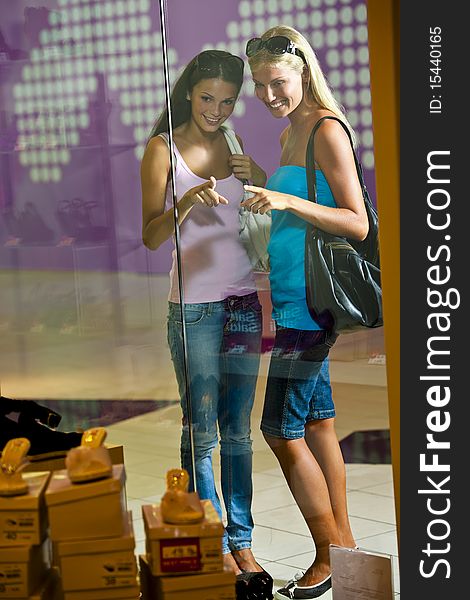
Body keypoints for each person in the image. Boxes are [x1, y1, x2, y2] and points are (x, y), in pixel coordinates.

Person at [140, 49, 273, 593]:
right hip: (193, 306)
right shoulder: (160, 148)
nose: (216, 110)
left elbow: (263, 209)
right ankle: (212, 538)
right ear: (188, 92)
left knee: (237, 432)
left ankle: (240, 542)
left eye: (226, 100)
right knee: (202, 433)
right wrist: (189, 199)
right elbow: (150, 236)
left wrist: (260, 177)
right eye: (206, 98)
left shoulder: (236, 145)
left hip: (244, 301)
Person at [243, 26, 368, 599]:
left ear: (303, 72)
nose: (271, 96)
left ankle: (326, 555)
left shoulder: (324, 128)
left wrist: (287, 198)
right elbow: (297, 207)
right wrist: (265, 185)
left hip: (311, 308)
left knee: (278, 428)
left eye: (279, 83)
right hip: (292, 297)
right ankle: (345, 553)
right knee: (318, 425)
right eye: (260, 85)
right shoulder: (293, 130)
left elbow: (356, 220)